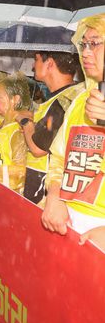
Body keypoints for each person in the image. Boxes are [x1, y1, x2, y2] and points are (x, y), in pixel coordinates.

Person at [43, 14, 105, 249]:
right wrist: (54, 196)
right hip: (68, 224)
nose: (86, 52)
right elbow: (59, 158)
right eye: (84, 44)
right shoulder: (80, 100)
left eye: (95, 43)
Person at [16, 52, 83, 205]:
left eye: (36, 59)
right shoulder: (57, 99)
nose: (33, 65)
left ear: (50, 63)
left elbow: (38, 149)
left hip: (45, 193)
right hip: (38, 188)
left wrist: (26, 122)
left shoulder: (65, 100)